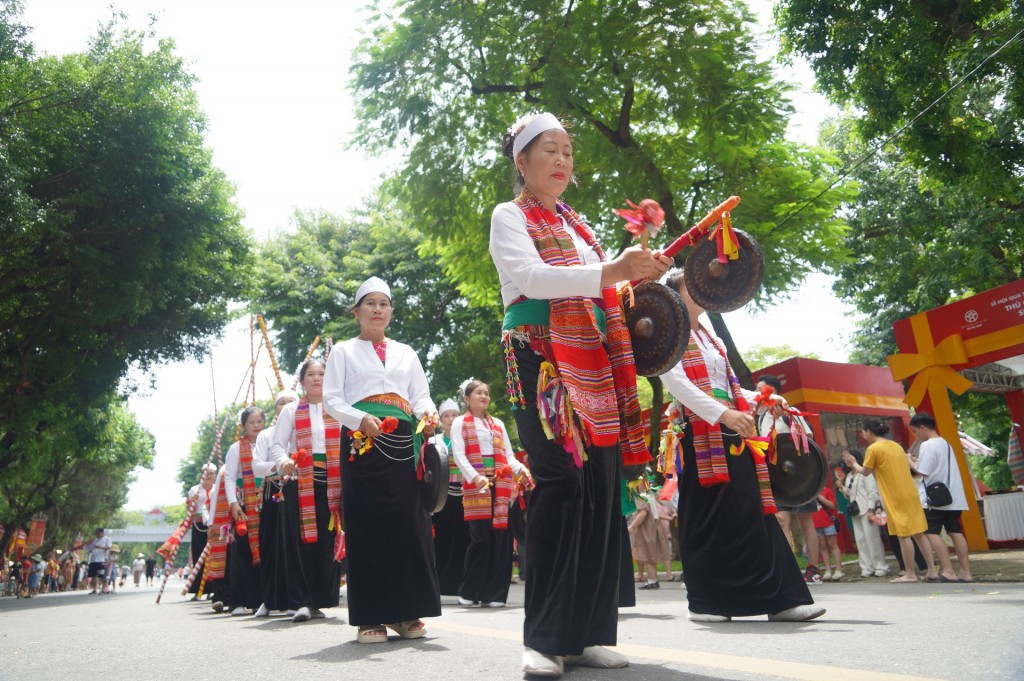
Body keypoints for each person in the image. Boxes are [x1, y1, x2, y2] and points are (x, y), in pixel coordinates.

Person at [489, 112, 672, 676]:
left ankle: (588, 631)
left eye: (568, 150)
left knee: (596, 487)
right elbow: (535, 279)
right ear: (521, 161)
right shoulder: (509, 216)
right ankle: (543, 638)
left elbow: (606, 288)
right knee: (561, 481)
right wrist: (610, 271)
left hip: (594, 357)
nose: (563, 160)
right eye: (550, 150)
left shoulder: (581, 226)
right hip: (540, 355)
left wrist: (640, 274)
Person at [659, 269, 823, 623]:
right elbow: (677, 384)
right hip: (698, 433)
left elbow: (728, 386)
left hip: (732, 427)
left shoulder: (711, 336)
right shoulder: (666, 330)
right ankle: (706, 602)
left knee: (753, 510)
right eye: (692, 284)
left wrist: (763, 399)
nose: (702, 288)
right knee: (706, 517)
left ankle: (781, 599)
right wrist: (723, 415)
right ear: (673, 293)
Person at [323, 276, 442, 644]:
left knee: (410, 522)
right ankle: (369, 617)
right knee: (368, 523)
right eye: (370, 303)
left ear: (390, 311)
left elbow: (420, 395)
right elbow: (331, 399)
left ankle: (407, 613)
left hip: (404, 441)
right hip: (363, 440)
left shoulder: (407, 351)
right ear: (357, 311)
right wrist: (360, 420)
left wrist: (428, 414)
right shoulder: (342, 351)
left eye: (384, 303)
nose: (377, 309)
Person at [270, 361, 342, 624]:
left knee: (328, 541)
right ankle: (301, 601)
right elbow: (277, 446)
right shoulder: (291, 410)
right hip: (300, 481)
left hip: (333, 482)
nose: (316, 379)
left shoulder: (337, 406)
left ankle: (320, 599)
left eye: (322, 374)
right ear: (302, 382)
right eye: (310, 375)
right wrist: (284, 462)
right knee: (300, 542)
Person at [450, 379, 532, 608]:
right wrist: (475, 478)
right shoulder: (459, 423)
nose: (484, 396)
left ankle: (495, 594)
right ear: (467, 398)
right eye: (478, 392)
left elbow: (508, 455)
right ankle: (470, 590)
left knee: (502, 538)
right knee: (481, 537)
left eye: (486, 392)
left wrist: (522, 470)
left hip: (501, 483)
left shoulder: (497, 423)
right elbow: (459, 454)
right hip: (477, 484)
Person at [842, 418, 932, 583]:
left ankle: (910, 573)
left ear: (869, 431)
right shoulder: (895, 445)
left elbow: (866, 472)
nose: (862, 435)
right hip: (910, 491)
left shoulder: (873, 448)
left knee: (903, 536)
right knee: (919, 533)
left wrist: (854, 463)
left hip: (894, 495)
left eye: (863, 431)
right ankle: (932, 571)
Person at [755, 374, 822, 585]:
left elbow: (808, 439)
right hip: (777, 476)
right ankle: (788, 567)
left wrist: (787, 417)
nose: (757, 393)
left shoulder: (788, 410)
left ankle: (813, 569)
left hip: (801, 475)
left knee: (805, 521)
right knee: (781, 519)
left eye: (761, 389)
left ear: (773, 392)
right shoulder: (760, 417)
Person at [910, 412, 974, 583]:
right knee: (955, 531)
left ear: (923, 427)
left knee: (931, 532)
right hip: (954, 496)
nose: (917, 436)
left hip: (935, 499)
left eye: (916, 431)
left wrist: (909, 461)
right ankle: (965, 572)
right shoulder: (946, 443)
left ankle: (948, 570)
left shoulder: (928, 445)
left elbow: (922, 471)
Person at [252, 388, 298, 617]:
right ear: (276, 409)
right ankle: (269, 600)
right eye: (282, 403)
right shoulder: (266, 435)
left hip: (300, 487)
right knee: (270, 543)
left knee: (294, 544)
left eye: (292, 402)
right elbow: (256, 466)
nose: (286, 407)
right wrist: (280, 465)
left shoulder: (304, 429)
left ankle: (297, 598)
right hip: (273, 489)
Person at [223, 406, 267, 616]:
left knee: (267, 550)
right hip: (244, 504)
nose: (256, 426)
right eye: (251, 422)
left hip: (267, 500)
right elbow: (229, 477)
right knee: (242, 552)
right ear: (244, 426)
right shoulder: (235, 448)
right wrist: (233, 503)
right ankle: (239, 601)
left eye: (259, 421)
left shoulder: (269, 442)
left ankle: (265, 600)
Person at [430, 397, 471, 597]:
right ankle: (441, 584)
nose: (451, 419)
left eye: (455, 415)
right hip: (442, 496)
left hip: (464, 494)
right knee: (443, 539)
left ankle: (461, 584)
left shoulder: (467, 439)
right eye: (446, 416)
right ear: (440, 419)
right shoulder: (434, 441)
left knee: (464, 538)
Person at [838, 449, 889, 577]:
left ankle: (880, 566)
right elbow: (850, 494)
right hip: (856, 511)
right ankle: (867, 567)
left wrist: (871, 509)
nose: (845, 460)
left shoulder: (865, 473)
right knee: (860, 540)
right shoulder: (850, 475)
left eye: (847, 456)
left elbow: (873, 492)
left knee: (873, 539)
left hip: (866, 510)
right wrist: (842, 488)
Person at [627, 484, 672, 590]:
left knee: (648, 555)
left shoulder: (642, 496)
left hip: (647, 530)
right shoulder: (649, 495)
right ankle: (653, 580)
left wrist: (632, 527)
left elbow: (642, 513)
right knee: (650, 555)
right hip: (654, 527)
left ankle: (652, 581)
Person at [185, 463, 218, 596]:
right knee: (198, 555)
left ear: (215, 475)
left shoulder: (218, 488)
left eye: (211, 474)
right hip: (199, 526)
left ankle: (213, 589)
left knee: (214, 556)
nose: (209, 476)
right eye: (206, 473)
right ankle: (198, 588)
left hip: (214, 525)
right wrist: (192, 501)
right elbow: (188, 510)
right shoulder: (195, 490)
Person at [812, 486, 844, 581]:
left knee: (832, 544)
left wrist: (821, 498)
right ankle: (828, 570)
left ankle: (838, 569)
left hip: (828, 521)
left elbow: (832, 505)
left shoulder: (827, 491)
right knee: (823, 546)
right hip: (816, 522)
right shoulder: (810, 494)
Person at [82, 528, 112, 594]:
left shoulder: (107, 539)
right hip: (93, 560)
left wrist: (100, 547)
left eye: (98, 533)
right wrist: (86, 543)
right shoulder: (94, 540)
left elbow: (109, 547)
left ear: (102, 533)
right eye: (96, 533)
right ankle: (94, 589)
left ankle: (103, 589)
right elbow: (88, 548)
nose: (97, 534)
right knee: (93, 576)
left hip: (102, 560)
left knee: (101, 576)